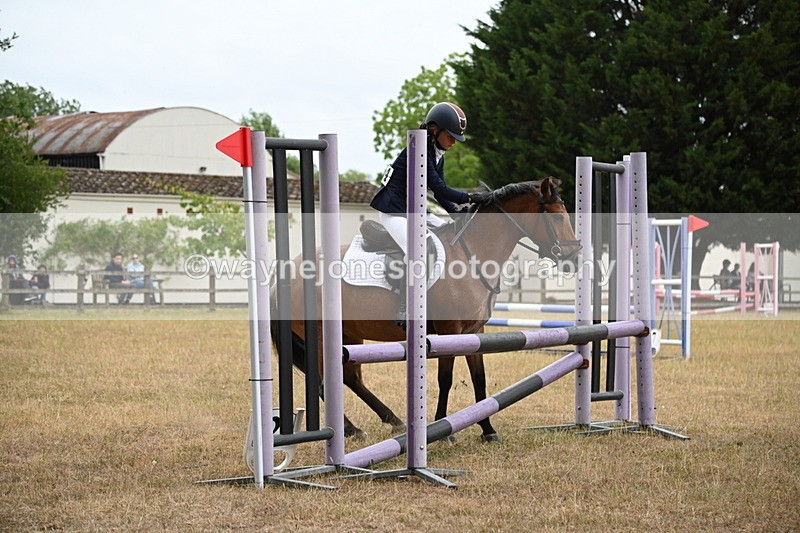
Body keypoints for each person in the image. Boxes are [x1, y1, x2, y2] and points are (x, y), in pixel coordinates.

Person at [369, 101, 472, 322]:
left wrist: (458, 213)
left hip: (415, 211)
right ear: (436, 130)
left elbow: (442, 195)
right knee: (419, 248)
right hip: (394, 212)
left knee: (447, 232)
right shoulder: (420, 149)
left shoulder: (436, 151)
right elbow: (440, 188)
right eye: (451, 136)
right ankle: (406, 307)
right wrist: (471, 197)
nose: (454, 142)